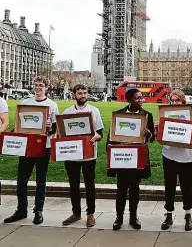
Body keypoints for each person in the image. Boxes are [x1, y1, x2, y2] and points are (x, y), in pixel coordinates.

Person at [3, 76, 59, 225]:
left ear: (46, 88)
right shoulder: (25, 103)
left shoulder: (52, 105)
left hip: (43, 146)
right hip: (26, 146)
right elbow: (19, 125)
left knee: (41, 181)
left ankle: (38, 211)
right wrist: (11, 135)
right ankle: (21, 210)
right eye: (36, 85)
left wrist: (48, 128)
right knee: (21, 180)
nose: (38, 88)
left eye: (41, 85)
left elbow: (54, 128)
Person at [106, 88, 155, 230]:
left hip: (138, 158)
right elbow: (111, 137)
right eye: (137, 98)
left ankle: (133, 218)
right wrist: (110, 148)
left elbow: (152, 139)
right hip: (122, 157)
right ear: (129, 100)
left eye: (141, 98)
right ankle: (119, 218)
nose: (140, 100)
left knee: (134, 189)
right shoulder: (119, 114)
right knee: (121, 189)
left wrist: (149, 134)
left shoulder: (147, 115)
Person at [156, 89, 192, 231]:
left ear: (183, 101)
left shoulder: (191, 116)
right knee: (169, 187)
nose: (174, 103)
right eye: (172, 100)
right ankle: (168, 215)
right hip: (169, 156)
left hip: (186, 158)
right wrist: (158, 129)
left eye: (177, 100)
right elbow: (160, 140)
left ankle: (188, 215)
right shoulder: (164, 116)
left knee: (186, 187)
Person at [61, 84, 104, 228]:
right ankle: (76, 213)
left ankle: (90, 214)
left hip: (89, 155)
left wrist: (96, 137)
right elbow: (62, 133)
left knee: (89, 184)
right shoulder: (67, 111)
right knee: (73, 185)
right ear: (74, 94)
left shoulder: (94, 110)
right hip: (72, 154)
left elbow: (100, 133)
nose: (82, 95)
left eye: (84, 92)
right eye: (79, 93)